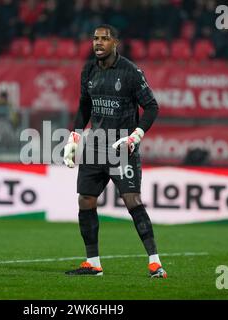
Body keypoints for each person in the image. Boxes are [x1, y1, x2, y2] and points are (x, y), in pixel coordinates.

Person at [63, 24, 167, 278]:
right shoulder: (88, 70)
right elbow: (84, 107)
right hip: (95, 146)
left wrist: (136, 136)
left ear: (115, 43)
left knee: (132, 201)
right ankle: (93, 263)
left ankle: (155, 263)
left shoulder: (130, 72)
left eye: (104, 39)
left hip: (121, 147)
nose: (98, 43)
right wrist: (74, 135)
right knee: (85, 199)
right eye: (95, 39)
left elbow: (151, 107)